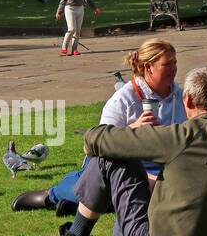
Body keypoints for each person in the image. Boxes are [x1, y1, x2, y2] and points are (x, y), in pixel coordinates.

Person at [26, 67, 207, 236]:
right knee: (144, 175)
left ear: (187, 99)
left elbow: (99, 140)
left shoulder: (182, 136)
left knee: (110, 159)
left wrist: (123, 132)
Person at [15, 39, 184, 215]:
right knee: (92, 188)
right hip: (115, 163)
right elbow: (98, 145)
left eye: (175, 63)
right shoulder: (123, 99)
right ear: (149, 67)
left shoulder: (178, 94)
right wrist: (133, 128)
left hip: (160, 164)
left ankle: (81, 207)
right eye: (167, 64)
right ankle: (50, 196)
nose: (174, 68)